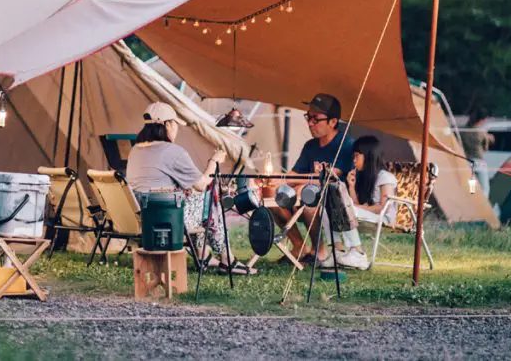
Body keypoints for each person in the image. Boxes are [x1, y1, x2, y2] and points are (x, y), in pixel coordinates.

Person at [125, 102, 253, 274]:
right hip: (166, 220)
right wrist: (214, 161)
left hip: (142, 216)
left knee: (198, 200)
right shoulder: (172, 151)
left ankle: (203, 255)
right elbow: (201, 185)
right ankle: (226, 259)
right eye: (176, 124)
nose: (176, 129)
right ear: (167, 125)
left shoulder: (135, 151)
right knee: (209, 195)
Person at [277, 93, 368, 269]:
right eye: (308, 117)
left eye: (315, 119)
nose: (310, 123)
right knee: (275, 198)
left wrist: (302, 184)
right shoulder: (310, 146)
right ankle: (299, 247)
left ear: (333, 122)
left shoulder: (346, 144)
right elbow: (293, 175)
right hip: (308, 196)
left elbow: (330, 179)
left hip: (336, 202)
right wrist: (275, 181)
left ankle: (320, 251)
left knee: (308, 199)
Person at [346, 135, 398, 226]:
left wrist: (355, 208)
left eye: (356, 156)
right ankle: (343, 241)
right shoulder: (364, 177)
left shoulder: (385, 177)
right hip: (369, 216)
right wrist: (351, 187)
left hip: (384, 219)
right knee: (333, 212)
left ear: (368, 155)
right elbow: (357, 205)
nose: (354, 160)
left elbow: (383, 208)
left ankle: (352, 241)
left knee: (348, 211)